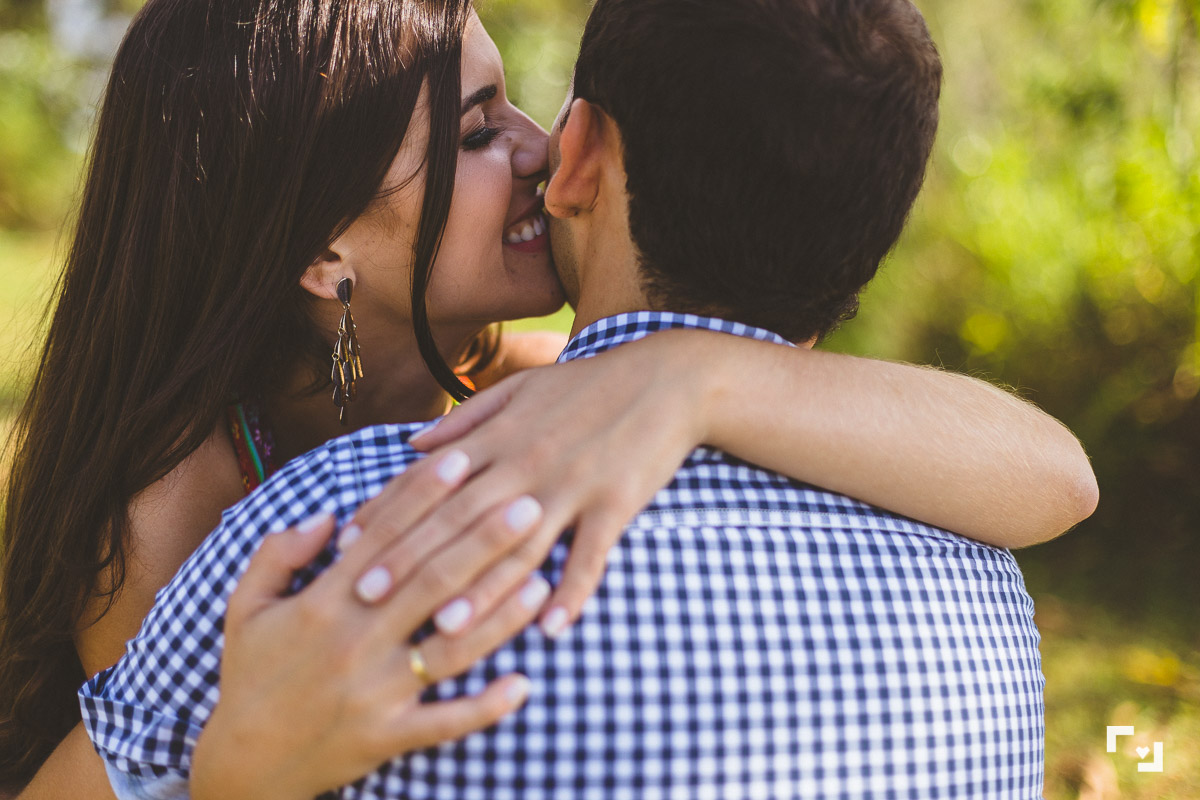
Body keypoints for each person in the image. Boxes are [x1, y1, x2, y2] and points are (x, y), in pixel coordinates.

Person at [76, 0, 1083, 797]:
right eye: (475, 134)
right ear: (317, 247)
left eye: (521, 104)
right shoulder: (187, 514)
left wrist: (694, 375)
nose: (536, 148)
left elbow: (1056, 472)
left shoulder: (552, 395)